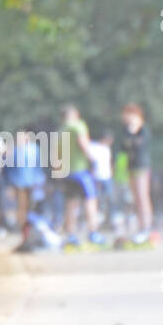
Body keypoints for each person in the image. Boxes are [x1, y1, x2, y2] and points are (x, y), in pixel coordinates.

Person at [57, 104, 100, 246]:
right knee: (90, 201)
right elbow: (83, 144)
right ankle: (93, 233)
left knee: (71, 204)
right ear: (75, 115)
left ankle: (71, 235)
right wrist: (92, 159)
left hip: (67, 173)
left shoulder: (60, 131)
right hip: (81, 171)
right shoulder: (78, 126)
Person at [117, 103, 153, 241]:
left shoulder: (143, 129)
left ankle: (146, 228)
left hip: (141, 166)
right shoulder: (127, 130)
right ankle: (140, 228)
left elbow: (139, 145)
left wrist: (132, 135)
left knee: (142, 197)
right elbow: (123, 147)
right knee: (136, 199)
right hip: (130, 167)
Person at [6, 127, 45, 250]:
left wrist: (39, 182)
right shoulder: (14, 152)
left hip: (33, 186)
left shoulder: (35, 150)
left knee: (32, 212)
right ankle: (25, 238)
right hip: (19, 186)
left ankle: (31, 238)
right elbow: (9, 170)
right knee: (22, 212)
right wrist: (11, 186)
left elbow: (39, 167)